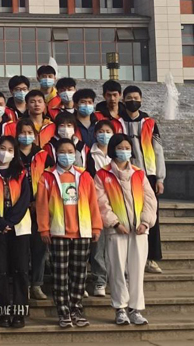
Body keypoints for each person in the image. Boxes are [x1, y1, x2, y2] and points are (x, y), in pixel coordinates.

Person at [37, 138, 103, 329]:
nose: (66, 155)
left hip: (82, 231)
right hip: (58, 232)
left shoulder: (84, 176)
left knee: (79, 274)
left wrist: (96, 227)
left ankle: (76, 308)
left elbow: (93, 203)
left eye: (70, 151)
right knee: (60, 275)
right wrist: (44, 228)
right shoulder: (47, 176)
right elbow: (42, 205)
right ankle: (63, 311)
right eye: (62, 152)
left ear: (76, 154)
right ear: (56, 154)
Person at [95, 133, 157, 326]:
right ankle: (120, 308)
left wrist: (145, 222)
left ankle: (135, 309)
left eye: (127, 148)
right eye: (120, 148)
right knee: (117, 270)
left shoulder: (139, 173)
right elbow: (101, 202)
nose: (124, 151)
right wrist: (114, 223)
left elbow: (150, 200)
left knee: (137, 270)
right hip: (116, 231)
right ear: (113, 150)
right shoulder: (103, 174)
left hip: (139, 231)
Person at [0, 136, 32, 329]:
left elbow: (25, 199)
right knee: (0, 270)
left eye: (10, 150)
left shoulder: (21, 173)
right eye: (2, 148)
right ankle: (3, 312)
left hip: (19, 228)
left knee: (21, 269)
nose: (5, 153)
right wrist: (0, 223)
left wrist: (11, 221)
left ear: (15, 153)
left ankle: (19, 312)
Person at [120, 85, 165, 275]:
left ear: (141, 100)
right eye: (129, 98)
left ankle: (151, 258)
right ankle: (128, 259)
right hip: (125, 175)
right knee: (127, 215)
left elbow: (158, 150)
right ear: (123, 100)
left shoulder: (150, 123)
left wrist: (160, 178)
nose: (133, 101)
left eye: (136, 98)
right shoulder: (117, 123)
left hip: (148, 175)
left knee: (151, 216)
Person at [15, 117, 50, 302]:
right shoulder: (11, 153)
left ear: (35, 136)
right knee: (21, 249)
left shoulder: (43, 155)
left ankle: (37, 284)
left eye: (29, 133)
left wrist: (39, 201)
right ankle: (23, 285)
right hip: (18, 207)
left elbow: (50, 180)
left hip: (40, 206)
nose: (26, 136)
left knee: (39, 247)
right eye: (22, 132)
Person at [86, 120, 115, 297]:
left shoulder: (118, 154)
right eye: (101, 131)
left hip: (117, 205)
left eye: (108, 131)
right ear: (95, 134)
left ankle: (118, 279)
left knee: (116, 246)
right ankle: (99, 280)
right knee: (98, 246)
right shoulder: (89, 154)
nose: (104, 134)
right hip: (96, 205)